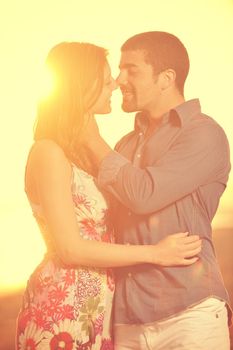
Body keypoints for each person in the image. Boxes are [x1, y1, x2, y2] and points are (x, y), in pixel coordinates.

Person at [15, 41, 202, 350]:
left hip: (101, 308)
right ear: (81, 85)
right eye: (105, 80)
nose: (115, 84)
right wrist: (156, 253)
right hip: (63, 308)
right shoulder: (48, 151)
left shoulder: (85, 155)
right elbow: (71, 249)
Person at [82, 32, 232, 349]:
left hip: (189, 315)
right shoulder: (123, 146)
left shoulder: (203, 133)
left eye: (131, 70)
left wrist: (91, 139)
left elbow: (144, 194)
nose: (119, 79)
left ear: (166, 79)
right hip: (126, 320)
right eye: (119, 69)